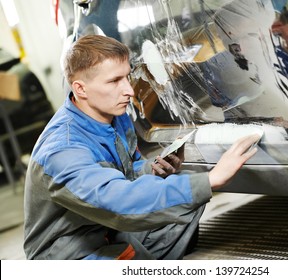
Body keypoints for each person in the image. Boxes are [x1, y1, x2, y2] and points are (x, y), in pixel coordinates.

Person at [23, 34, 260, 260]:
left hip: (105, 229)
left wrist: (151, 169)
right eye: (114, 81)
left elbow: (126, 171)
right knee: (191, 188)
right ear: (81, 89)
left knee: (180, 190)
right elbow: (117, 201)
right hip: (68, 252)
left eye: (127, 77)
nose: (129, 90)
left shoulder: (114, 115)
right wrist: (210, 180)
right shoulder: (62, 150)